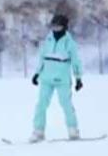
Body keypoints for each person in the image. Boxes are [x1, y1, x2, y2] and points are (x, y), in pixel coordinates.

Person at [29, 13, 84, 143]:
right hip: (46, 78)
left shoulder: (70, 43)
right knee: (41, 104)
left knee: (66, 104)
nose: (55, 29)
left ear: (64, 27)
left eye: (58, 27)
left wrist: (78, 78)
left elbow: (76, 62)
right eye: (53, 26)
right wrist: (37, 73)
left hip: (62, 79)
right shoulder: (48, 40)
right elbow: (42, 58)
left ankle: (73, 130)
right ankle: (38, 131)